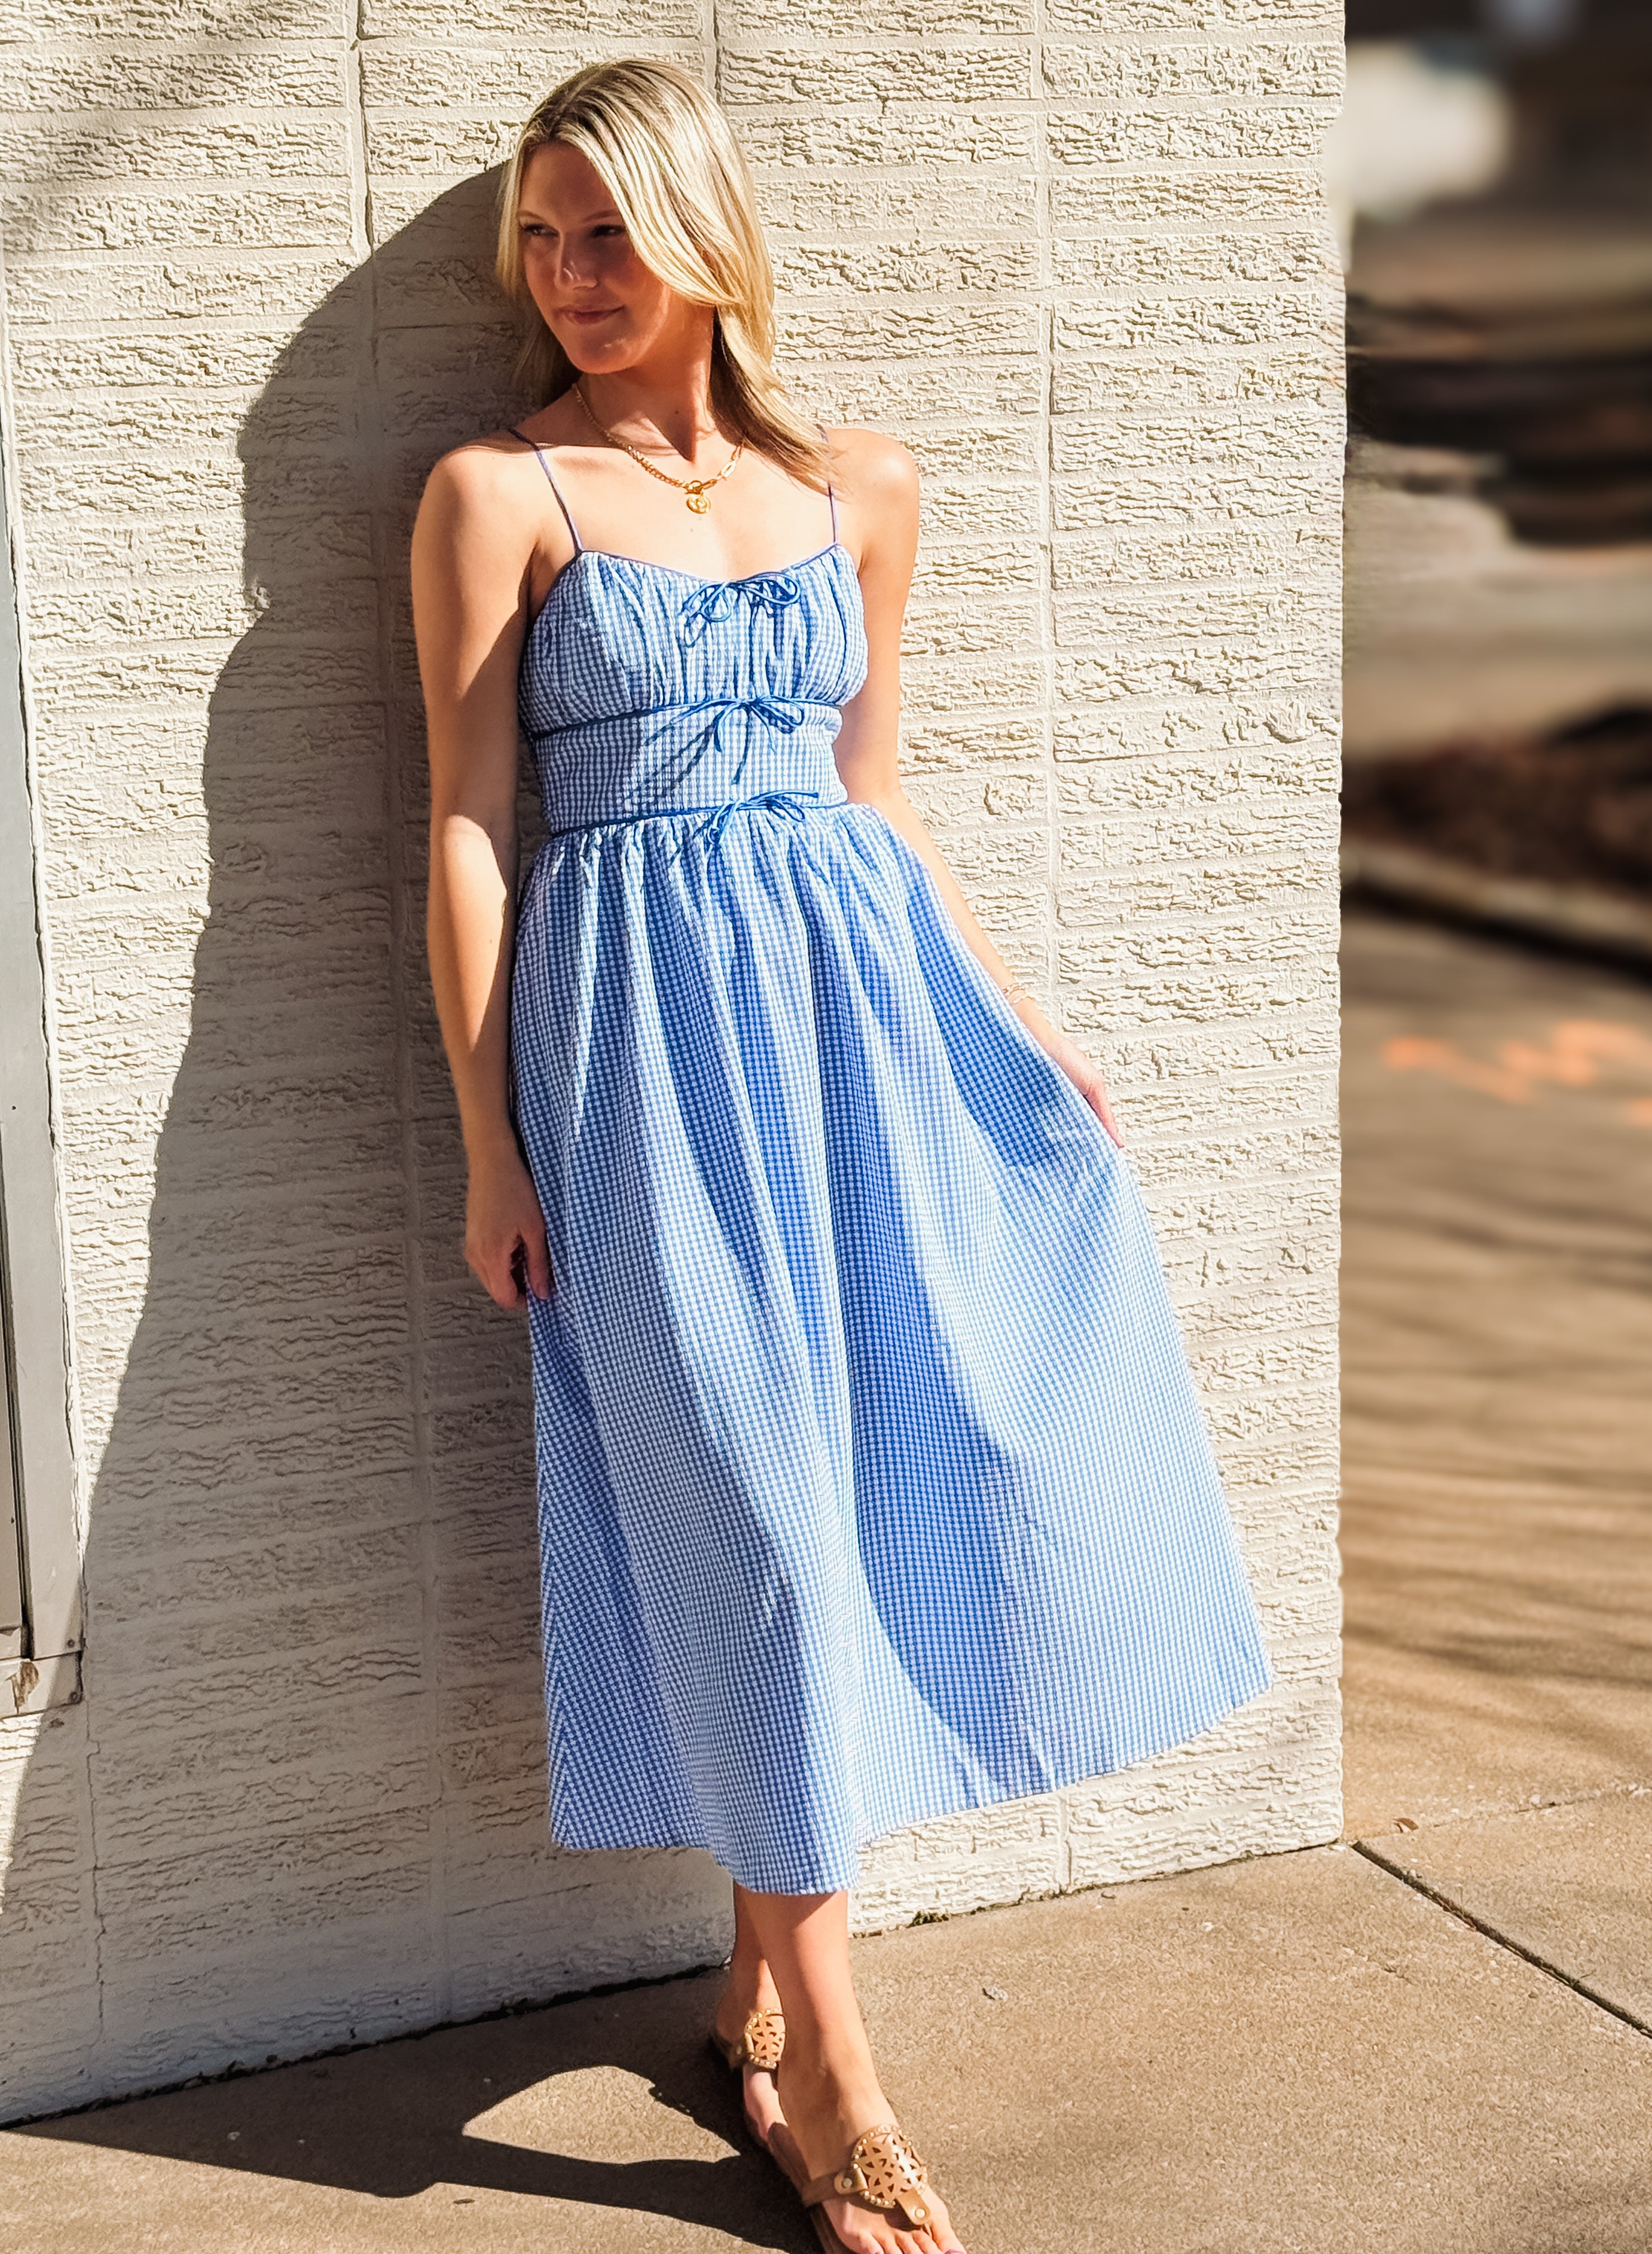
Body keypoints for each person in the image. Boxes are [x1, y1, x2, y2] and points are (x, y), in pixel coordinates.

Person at [411, 56, 1272, 2254]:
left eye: (610, 232)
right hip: (641, 1066)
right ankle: (837, 2076)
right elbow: (473, 829)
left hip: (863, 1037)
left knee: (891, 1482)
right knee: (758, 1537)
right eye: (541, 239)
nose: (571, 276)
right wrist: (491, 1141)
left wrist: (1025, 1026)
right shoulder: (500, 493)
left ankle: (755, 2004)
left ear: (705, 232)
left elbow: (874, 801)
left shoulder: (859, 485)